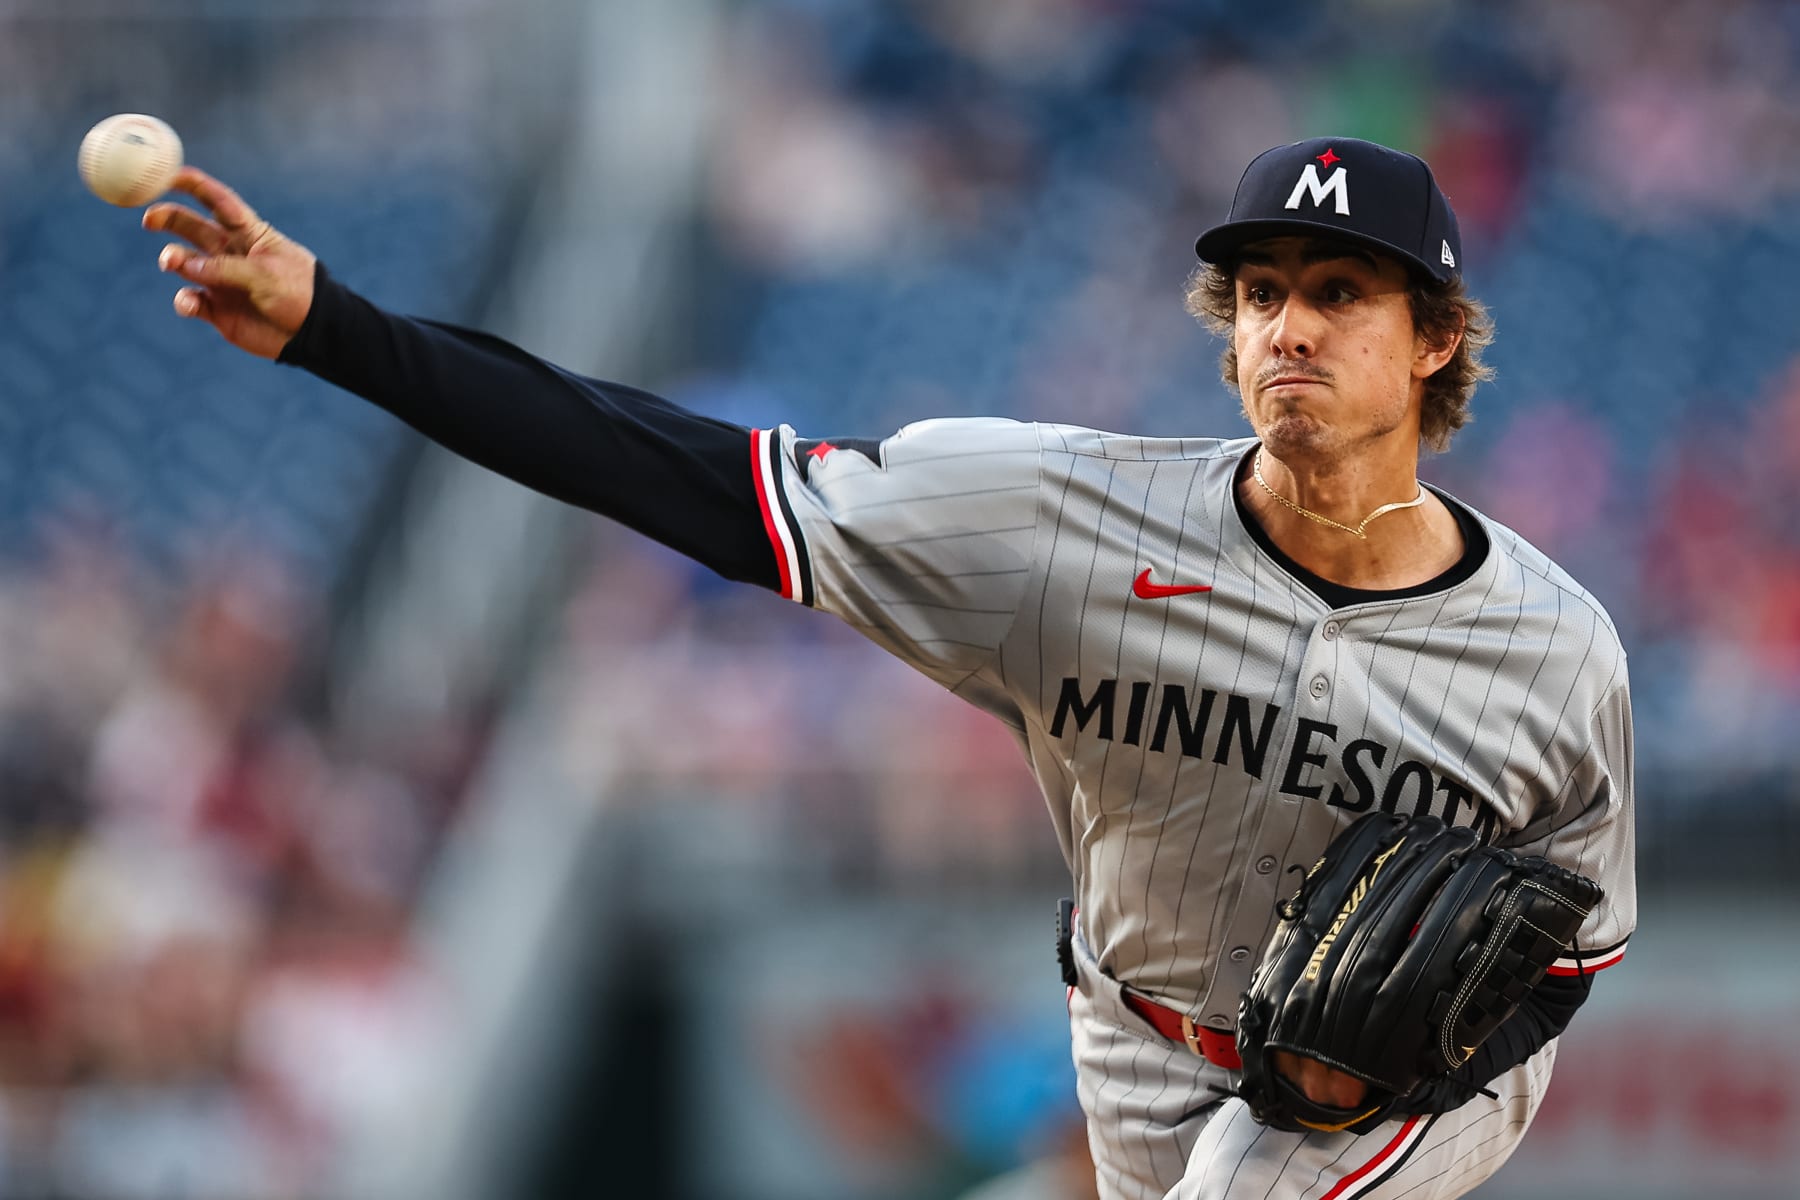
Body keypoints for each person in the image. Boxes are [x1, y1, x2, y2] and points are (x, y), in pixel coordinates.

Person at [142, 136, 1635, 1200]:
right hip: (1130, 1043)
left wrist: (1405, 1073)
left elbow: (1582, 945)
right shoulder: (1062, 523)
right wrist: (338, 330)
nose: (1289, 327)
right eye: (1261, 293)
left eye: (1341, 292)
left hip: (1400, 1095)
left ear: (1438, 340)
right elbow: (681, 476)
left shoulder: (1555, 647)